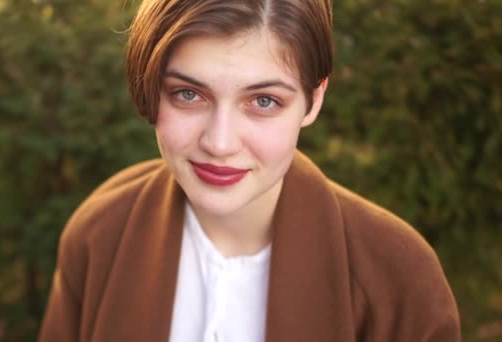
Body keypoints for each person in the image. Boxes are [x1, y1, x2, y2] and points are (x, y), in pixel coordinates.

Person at [39, 0, 461, 341]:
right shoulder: (98, 234)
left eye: (263, 102)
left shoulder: (399, 280)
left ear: (314, 100)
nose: (220, 144)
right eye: (188, 94)